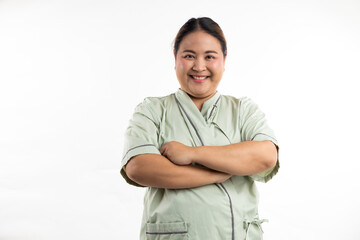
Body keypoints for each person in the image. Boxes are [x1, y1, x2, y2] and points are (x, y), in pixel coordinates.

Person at [120, 17, 279, 240]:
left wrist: (191, 154)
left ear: (224, 60)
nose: (199, 66)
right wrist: (215, 174)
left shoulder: (243, 110)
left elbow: (265, 157)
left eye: (210, 57)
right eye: (189, 56)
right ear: (175, 59)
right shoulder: (152, 110)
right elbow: (138, 167)